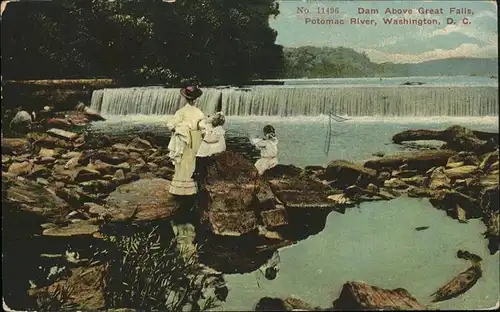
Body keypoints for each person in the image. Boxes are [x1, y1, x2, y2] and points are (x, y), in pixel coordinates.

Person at [167, 83, 206, 196]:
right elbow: (203, 129)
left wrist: (178, 130)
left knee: (183, 164)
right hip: (195, 141)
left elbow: (170, 125)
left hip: (184, 141)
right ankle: (192, 189)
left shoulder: (181, 112)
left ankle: (179, 189)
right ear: (196, 99)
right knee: (192, 163)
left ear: (185, 98)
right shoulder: (199, 113)